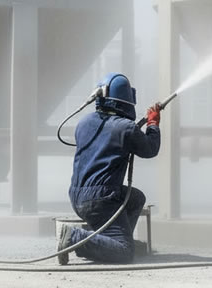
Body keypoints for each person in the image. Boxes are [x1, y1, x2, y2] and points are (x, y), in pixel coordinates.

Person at [58, 73, 161, 264]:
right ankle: (74, 238)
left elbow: (111, 136)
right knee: (124, 253)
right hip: (102, 200)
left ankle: (111, 241)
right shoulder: (126, 128)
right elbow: (150, 149)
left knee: (136, 198)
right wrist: (153, 124)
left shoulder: (84, 122)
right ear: (126, 100)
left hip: (77, 196)